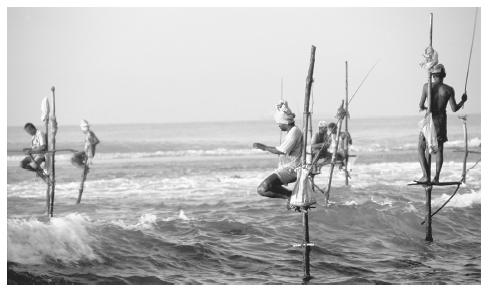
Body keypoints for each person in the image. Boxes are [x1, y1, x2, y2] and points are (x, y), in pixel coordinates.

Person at [417, 63, 467, 184]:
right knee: (439, 150)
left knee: (421, 147)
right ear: (443, 75)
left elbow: (420, 105)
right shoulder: (449, 89)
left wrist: (425, 107)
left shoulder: (426, 86)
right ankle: (436, 178)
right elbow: (454, 108)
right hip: (441, 120)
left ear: (433, 75)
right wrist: (463, 100)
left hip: (429, 119)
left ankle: (425, 175)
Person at [253, 100, 303, 199]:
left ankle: (290, 196)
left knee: (262, 189)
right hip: (287, 168)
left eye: (279, 123)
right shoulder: (292, 131)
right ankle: (291, 196)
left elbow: (282, 150)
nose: (278, 125)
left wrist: (264, 147)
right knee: (267, 187)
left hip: (292, 169)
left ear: (284, 122)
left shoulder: (294, 132)